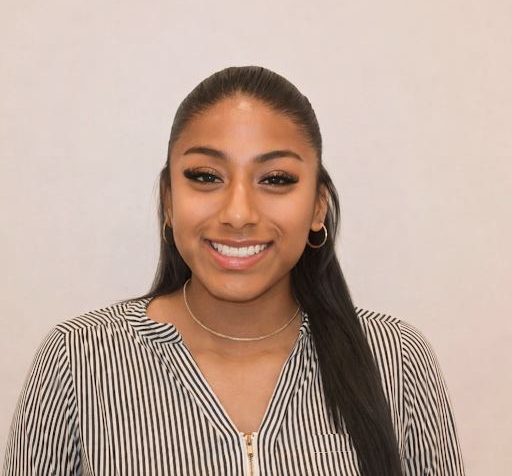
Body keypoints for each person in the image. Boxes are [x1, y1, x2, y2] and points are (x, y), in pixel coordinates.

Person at [3, 66, 465, 476]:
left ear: (317, 207)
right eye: (206, 177)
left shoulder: (397, 361)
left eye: (276, 179)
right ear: (168, 200)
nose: (239, 214)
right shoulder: (77, 360)